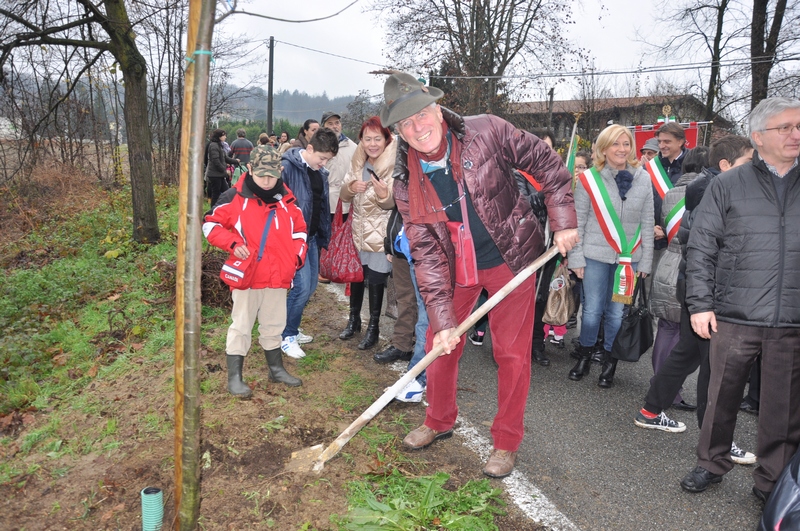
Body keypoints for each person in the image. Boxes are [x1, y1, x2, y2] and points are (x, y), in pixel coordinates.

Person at [381, 72, 578, 478]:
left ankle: (506, 442)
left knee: (510, 354)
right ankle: (438, 419)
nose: (418, 128)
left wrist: (562, 220)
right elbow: (427, 253)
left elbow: (546, 163)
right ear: (399, 131)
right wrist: (441, 316)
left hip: (511, 257)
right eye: (406, 124)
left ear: (436, 108)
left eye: (421, 115)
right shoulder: (405, 182)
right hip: (456, 270)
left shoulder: (487, 130)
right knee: (440, 342)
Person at [679, 97, 800, 503]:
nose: (795, 134)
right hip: (734, 314)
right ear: (758, 137)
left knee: (783, 409)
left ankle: (771, 481)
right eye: (784, 127)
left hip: (792, 319)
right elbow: (701, 246)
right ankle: (710, 463)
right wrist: (700, 304)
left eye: (798, 126)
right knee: (722, 395)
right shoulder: (727, 184)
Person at [633, 135, 756, 467]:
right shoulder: (718, 193)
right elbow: (710, 249)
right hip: (710, 292)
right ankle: (716, 439)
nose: (756, 168)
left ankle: (650, 410)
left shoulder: (712, 188)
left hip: (699, 288)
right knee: (715, 367)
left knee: (688, 355)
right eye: (749, 162)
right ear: (725, 166)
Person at [203, 145, 308, 396]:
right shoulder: (233, 197)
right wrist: (232, 243)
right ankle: (235, 377)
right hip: (248, 278)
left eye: (272, 175)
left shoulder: (288, 201)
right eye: (261, 175)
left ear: (280, 171)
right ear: (250, 168)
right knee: (241, 324)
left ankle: (276, 369)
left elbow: (300, 233)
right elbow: (210, 225)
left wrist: (295, 258)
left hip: (278, 277)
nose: (267, 181)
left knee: (274, 324)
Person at [567, 124, 654, 388]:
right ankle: (584, 354)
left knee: (616, 314)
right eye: (615, 144)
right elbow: (578, 222)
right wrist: (576, 258)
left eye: (626, 144)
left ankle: (609, 362)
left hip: (628, 260)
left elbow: (648, 222)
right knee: (592, 312)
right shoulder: (589, 180)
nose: (621, 149)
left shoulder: (644, 178)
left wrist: (646, 260)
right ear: (603, 148)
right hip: (594, 255)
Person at [649, 146, 708, 412]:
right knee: (682, 335)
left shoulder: (670, 192)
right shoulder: (708, 192)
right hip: (689, 265)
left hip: (667, 263)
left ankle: (660, 385)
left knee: (666, 328)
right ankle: (670, 390)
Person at [278, 128, 338, 359]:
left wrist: (323, 233)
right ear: (309, 148)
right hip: (292, 240)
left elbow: (320, 205)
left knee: (311, 287)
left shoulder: (319, 172)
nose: (323, 163)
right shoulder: (287, 167)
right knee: (301, 288)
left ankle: (289, 326)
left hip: (311, 237)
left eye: (328, 160)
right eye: (321, 158)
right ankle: (286, 336)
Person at [339, 117, 396, 350]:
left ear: (386, 140)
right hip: (357, 232)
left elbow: (393, 204)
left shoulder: (393, 165)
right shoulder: (357, 163)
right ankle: (353, 321)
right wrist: (351, 188)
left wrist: (384, 195)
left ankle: (373, 328)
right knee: (356, 278)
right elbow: (343, 195)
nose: (373, 144)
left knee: (375, 280)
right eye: (368, 138)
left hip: (380, 234)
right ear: (361, 140)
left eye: (377, 138)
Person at [205, 129, 240, 208]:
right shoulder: (214, 145)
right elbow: (216, 161)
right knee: (216, 194)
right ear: (219, 136)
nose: (225, 137)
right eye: (223, 135)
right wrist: (224, 171)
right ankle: (213, 210)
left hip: (219, 174)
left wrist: (235, 161)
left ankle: (226, 207)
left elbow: (225, 158)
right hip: (215, 175)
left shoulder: (219, 145)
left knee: (227, 192)